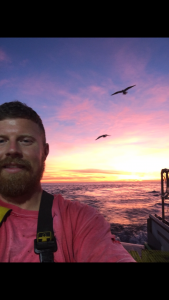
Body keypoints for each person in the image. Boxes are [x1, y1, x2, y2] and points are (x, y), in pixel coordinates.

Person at [0, 101, 135, 262]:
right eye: (1, 141)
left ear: (45, 152)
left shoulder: (80, 220)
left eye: (26, 140)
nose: (12, 150)